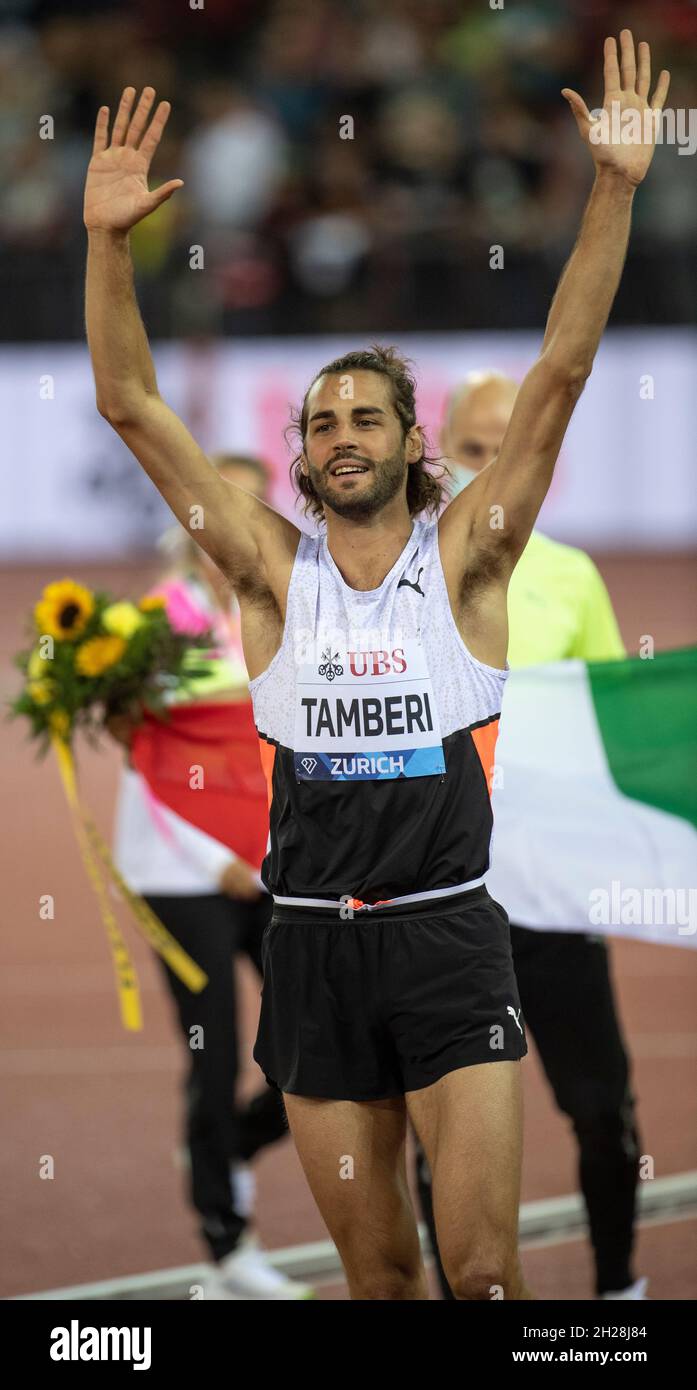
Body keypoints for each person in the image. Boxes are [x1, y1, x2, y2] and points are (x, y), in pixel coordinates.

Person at [83, 32, 669, 1299]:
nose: (341, 435)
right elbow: (130, 403)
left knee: (489, 1273)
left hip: (452, 940)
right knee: (384, 1281)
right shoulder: (262, 574)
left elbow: (561, 369)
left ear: (414, 444)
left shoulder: (469, 562)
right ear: (298, 455)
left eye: (367, 417)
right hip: (308, 952)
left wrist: (614, 188)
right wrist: (105, 247)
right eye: (321, 422)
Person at [411, 373, 645, 1301]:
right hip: (444, 907)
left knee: (600, 1110)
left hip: (551, 895)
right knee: (443, 1134)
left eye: (513, 449)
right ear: (441, 458)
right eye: (474, 450)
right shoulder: (406, 576)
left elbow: (611, 729)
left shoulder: (572, 573)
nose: (496, 468)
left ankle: (619, 1296)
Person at [109, 452, 313, 1301]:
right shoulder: (151, 625)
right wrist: (216, 860)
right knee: (214, 1050)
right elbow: (143, 762)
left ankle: (221, 1146)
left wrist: (278, 853)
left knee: (311, 1042)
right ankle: (229, 1249)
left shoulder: (294, 613)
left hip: (278, 870)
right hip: (179, 875)